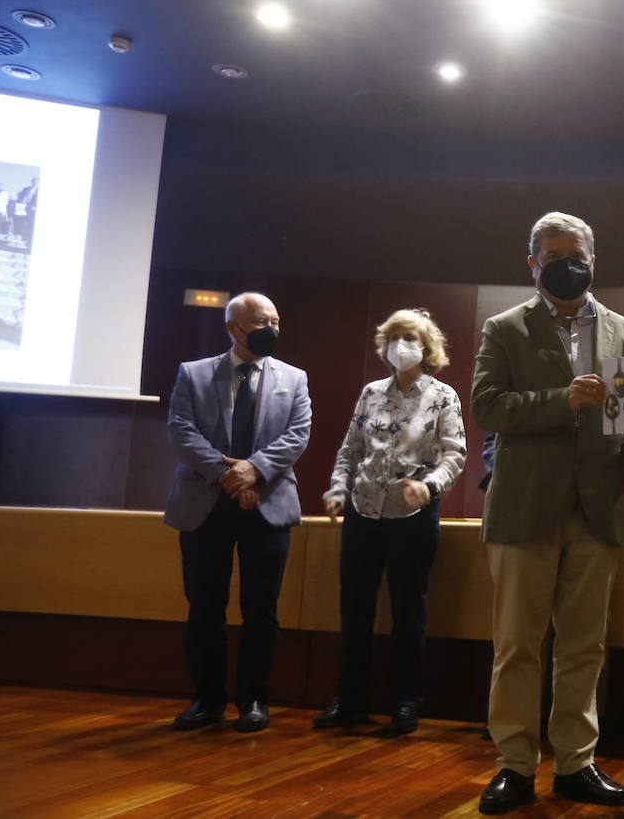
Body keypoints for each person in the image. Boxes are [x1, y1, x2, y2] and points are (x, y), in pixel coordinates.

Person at [472, 211, 624, 814]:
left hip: (599, 509)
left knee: (585, 646)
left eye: (575, 253)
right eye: (553, 256)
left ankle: (577, 762)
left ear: (594, 258)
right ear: (532, 264)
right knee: (517, 646)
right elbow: (487, 406)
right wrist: (563, 400)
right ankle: (514, 765)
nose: (566, 264)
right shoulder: (504, 328)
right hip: (525, 511)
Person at [314, 309, 467, 734]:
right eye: (395, 337)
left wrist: (430, 487)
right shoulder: (370, 393)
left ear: (427, 346)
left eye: (411, 337)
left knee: (408, 612)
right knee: (355, 612)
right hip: (363, 514)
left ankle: (406, 703)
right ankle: (349, 701)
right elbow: (350, 449)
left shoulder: (442, 396)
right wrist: (337, 489)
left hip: (412, 516)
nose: (403, 345)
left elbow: (454, 454)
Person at [164, 291, 312, 732]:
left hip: (267, 506)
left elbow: (298, 434)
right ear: (233, 329)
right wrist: (226, 475)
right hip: (205, 506)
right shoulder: (193, 374)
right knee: (204, 608)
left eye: (276, 321)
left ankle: (253, 700)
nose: (272, 330)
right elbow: (180, 431)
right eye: (261, 323)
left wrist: (253, 471)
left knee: (261, 610)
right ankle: (207, 700)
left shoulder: (295, 378)